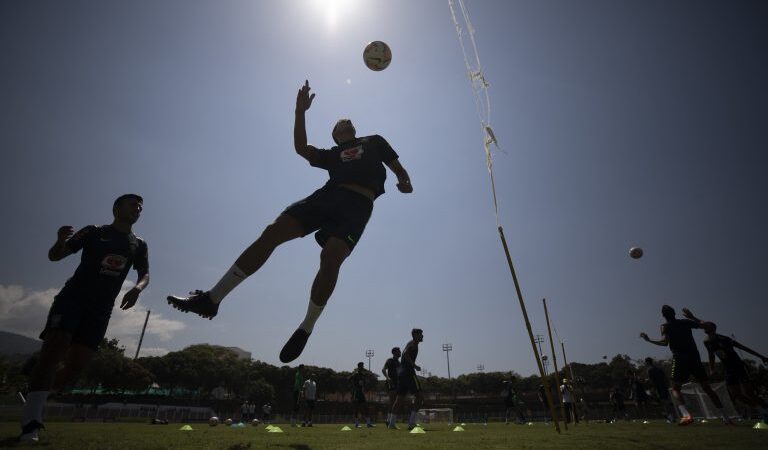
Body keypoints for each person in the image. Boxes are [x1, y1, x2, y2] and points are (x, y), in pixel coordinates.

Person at [167, 80, 413, 363]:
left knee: (330, 258)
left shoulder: (374, 141)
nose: (343, 123)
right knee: (272, 232)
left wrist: (404, 180)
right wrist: (300, 112)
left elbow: (397, 167)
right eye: (338, 125)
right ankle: (212, 299)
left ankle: (306, 327)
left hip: (358, 206)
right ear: (335, 136)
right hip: (327, 196)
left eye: (346, 122)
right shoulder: (332, 155)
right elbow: (301, 148)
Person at [19, 194, 149, 442]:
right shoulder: (93, 231)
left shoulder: (138, 244)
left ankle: (33, 393)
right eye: (133, 203)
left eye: (140, 206)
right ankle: (31, 424)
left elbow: (145, 274)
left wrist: (137, 289)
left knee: (76, 366)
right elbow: (55, 256)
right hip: (73, 298)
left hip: (101, 309)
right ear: (117, 208)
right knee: (55, 349)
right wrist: (59, 241)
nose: (138, 208)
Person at [640, 305, 731, 425]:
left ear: (663, 315)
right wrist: (693, 317)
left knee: (675, 388)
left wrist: (649, 340)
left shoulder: (665, 326)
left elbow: (664, 342)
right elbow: (707, 325)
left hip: (680, 358)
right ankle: (726, 418)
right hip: (694, 358)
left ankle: (687, 415)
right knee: (707, 388)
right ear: (675, 313)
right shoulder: (686, 322)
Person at [696, 318, 768, 420]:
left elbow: (744, 348)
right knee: (736, 395)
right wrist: (712, 369)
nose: (703, 328)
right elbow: (711, 355)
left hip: (739, 366)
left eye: (706, 327)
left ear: (713, 328)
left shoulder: (725, 339)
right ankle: (761, 410)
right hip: (728, 370)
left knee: (749, 393)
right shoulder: (706, 341)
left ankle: (765, 409)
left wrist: (761, 357)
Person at [390, 328, 424, 430]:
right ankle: (411, 422)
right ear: (415, 335)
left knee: (399, 399)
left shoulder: (411, 343)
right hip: (409, 373)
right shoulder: (414, 343)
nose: (422, 336)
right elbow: (405, 354)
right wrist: (414, 365)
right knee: (420, 397)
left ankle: (391, 423)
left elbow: (404, 354)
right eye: (421, 334)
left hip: (402, 374)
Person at [644, 357, 675, 422]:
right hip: (664, 386)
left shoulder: (649, 369)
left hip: (658, 387)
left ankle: (669, 416)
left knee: (663, 402)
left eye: (645, 362)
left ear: (647, 362)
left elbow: (651, 380)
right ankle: (670, 415)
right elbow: (665, 377)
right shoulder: (659, 369)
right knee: (665, 401)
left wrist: (647, 382)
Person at [382, 347, 401, 427]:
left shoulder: (399, 363)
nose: (400, 352)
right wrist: (387, 378)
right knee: (393, 401)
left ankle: (389, 420)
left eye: (400, 351)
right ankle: (389, 421)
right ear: (394, 352)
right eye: (398, 351)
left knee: (396, 402)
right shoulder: (390, 360)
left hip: (398, 383)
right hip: (391, 382)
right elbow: (383, 369)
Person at [350, 362, 373, 428]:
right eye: (361, 366)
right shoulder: (355, 374)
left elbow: (365, 382)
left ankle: (368, 423)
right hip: (356, 393)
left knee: (365, 408)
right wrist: (354, 386)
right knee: (356, 408)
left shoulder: (363, 375)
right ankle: (356, 424)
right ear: (358, 367)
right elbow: (349, 379)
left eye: (362, 366)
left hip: (361, 393)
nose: (362, 367)